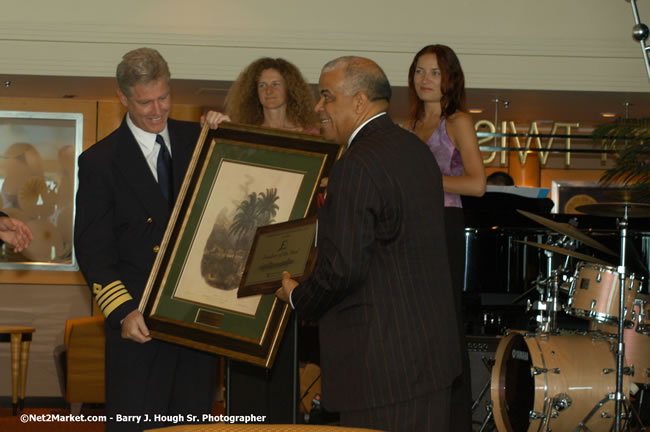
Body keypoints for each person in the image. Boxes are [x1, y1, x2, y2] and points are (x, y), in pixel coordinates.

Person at [276, 56, 463, 432]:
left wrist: (297, 296)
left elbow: (341, 269)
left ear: (359, 102)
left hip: (380, 369)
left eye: (326, 96)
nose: (318, 107)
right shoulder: (416, 151)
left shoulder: (355, 165)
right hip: (430, 361)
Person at [74, 48, 223, 432]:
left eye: (163, 98)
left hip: (194, 322)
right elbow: (93, 252)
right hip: (138, 326)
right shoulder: (100, 161)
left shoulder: (202, 140)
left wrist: (233, 137)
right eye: (145, 102)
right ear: (123, 98)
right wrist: (122, 312)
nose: (157, 110)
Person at [407, 44, 486, 430]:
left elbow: (477, 184)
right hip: (412, 228)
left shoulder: (458, 121)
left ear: (450, 78)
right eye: (420, 71)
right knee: (415, 325)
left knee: (443, 326)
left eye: (434, 72)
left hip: (444, 224)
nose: (425, 79)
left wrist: (424, 182)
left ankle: (453, 422)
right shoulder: (410, 125)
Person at [221, 57, 318, 133]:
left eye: (275, 84)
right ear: (255, 92)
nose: (268, 91)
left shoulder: (308, 134)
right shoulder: (246, 133)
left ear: (289, 89)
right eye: (262, 85)